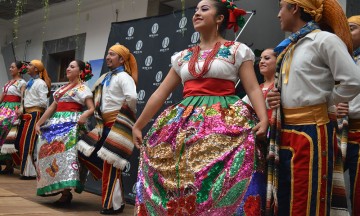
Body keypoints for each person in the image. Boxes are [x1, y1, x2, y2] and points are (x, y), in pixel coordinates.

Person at [133, 0, 268, 215]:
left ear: (220, 18)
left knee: (222, 179)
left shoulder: (236, 50)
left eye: (204, 9)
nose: (196, 13)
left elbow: (252, 88)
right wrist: (138, 125)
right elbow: (160, 93)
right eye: (195, 10)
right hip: (183, 124)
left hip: (226, 121)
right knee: (183, 182)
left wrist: (263, 119)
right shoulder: (182, 56)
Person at [266, 0, 360, 215]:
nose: (278, 14)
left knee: (306, 199)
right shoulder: (289, 47)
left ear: (295, 8)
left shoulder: (324, 40)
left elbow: (353, 81)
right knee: (284, 195)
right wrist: (273, 98)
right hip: (285, 130)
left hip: (312, 130)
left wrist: (326, 101)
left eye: (282, 7)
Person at [77, 44, 138, 214]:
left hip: (117, 125)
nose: (108, 57)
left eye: (112, 54)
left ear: (121, 59)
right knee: (84, 151)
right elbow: (92, 93)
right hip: (102, 125)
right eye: (108, 54)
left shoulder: (124, 77)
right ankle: (117, 199)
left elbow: (132, 97)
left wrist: (124, 116)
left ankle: (111, 205)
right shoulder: (105, 77)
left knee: (111, 164)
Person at [34, 60, 94, 205]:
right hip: (56, 124)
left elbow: (92, 108)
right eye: (67, 66)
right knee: (47, 152)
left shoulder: (83, 89)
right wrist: (39, 123)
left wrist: (84, 116)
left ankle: (66, 193)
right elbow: (51, 108)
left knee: (66, 157)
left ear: (80, 72)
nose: (67, 68)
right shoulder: (61, 89)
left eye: (72, 67)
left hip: (71, 125)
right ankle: (57, 188)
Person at [335, 15, 360, 216]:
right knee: (335, 189)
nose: (346, 33)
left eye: (352, 28)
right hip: (339, 131)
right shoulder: (341, 58)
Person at [12, 60, 51, 180]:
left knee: (28, 143)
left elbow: (43, 102)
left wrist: (36, 111)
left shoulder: (40, 83)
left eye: (30, 65)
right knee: (21, 142)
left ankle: (29, 172)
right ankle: (28, 170)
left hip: (35, 114)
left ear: (36, 69)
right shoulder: (30, 82)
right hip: (27, 114)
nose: (27, 67)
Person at [0, 61, 27, 174]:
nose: (10, 69)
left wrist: (21, 108)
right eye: (10, 67)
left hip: (13, 109)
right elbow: (2, 97)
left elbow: (23, 97)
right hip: (3, 108)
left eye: (13, 67)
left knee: (9, 134)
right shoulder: (8, 83)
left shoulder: (22, 82)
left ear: (19, 69)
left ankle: (9, 164)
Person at [243, 48, 276, 121]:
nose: (261, 62)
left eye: (266, 58)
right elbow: (242, 108)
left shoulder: (281, 86)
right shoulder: (256, 89)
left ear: (278, 61)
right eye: (260, 59)